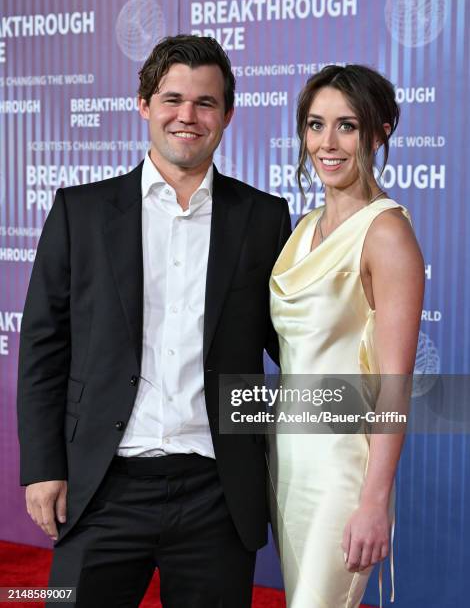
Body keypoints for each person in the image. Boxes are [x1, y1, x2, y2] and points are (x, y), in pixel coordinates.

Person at [17, 34, 291, 607]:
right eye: (172, 99)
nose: (186, 116)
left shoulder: (264, 218)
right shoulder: (80, 212)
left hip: (216, 493)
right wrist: (42, 467)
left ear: (227, 114)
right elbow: (45, 347)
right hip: (101, 488)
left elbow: (290, 345)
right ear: (143, 104)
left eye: (205, 103)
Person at [268, 65, 424, 607]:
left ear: (379, 132)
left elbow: (394, 384)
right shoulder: (304, 227)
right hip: (287, 461)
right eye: (315, 125)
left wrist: (374, 499)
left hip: (343, 470)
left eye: (347, 126)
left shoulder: (387, 233)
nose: (326, 143)